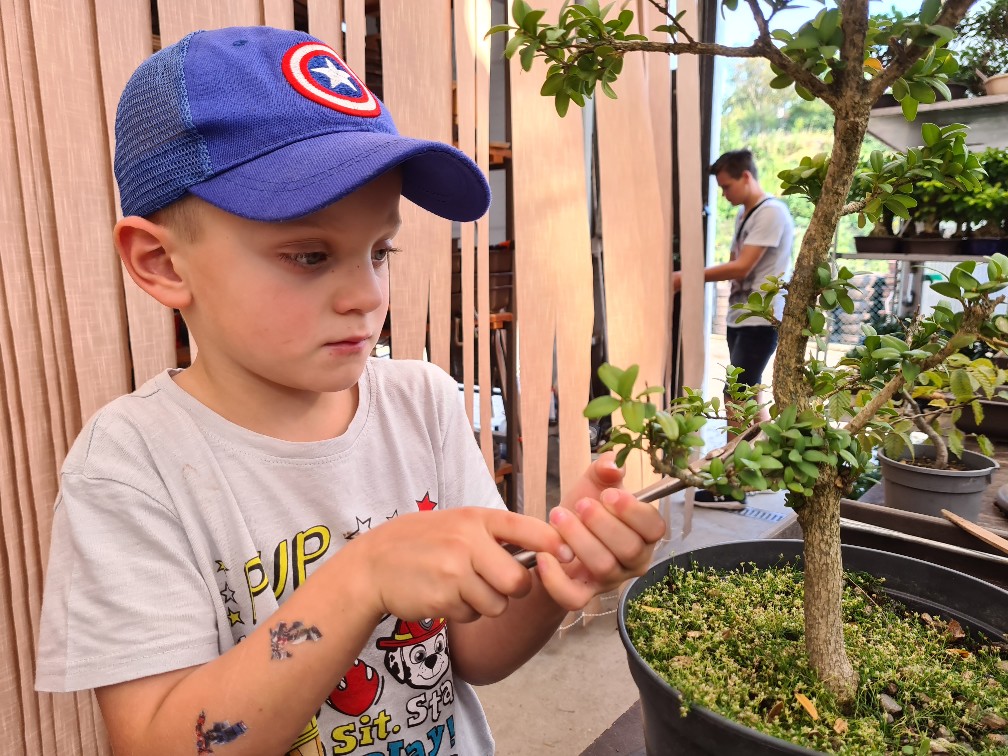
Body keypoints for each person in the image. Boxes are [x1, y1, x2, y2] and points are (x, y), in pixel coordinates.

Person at [34, 26, 666, 756]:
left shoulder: (422, 404)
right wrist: (361, 578)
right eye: (310, 255)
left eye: (380, 251)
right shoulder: (130, 466)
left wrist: (557, 572)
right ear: (162, 263)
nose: (367, 296)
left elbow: (475, 653)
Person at [672, 149, 794, 507]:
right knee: (749, 397)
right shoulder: (746, 213)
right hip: (742, 318)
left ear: (746, 177)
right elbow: (734, 263)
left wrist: (685, 277)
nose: (723, 194)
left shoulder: (771, 212)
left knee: (736, 397)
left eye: (726, 186)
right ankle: (763, 470)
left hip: (760, 319)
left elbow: (741, 267)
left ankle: (732, 487)